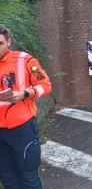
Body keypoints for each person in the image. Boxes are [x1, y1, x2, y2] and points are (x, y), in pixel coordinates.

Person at [0, 25, 52, 189]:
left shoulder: (26, 60)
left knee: (28, 179)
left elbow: (45, 85)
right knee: (7, 179)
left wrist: (25, 94)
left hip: (22, 129)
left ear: (8, 42)